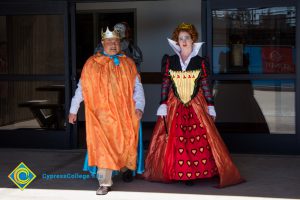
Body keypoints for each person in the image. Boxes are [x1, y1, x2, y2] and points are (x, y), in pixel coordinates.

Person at [143, 23, 243, 187]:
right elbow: (166, 83)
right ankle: (181, 173)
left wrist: (210, 104)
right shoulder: (170, 60)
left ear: (192, 39)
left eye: (186, 38)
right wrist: (162, 103)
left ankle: (197, 172)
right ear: (177, 41)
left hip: (196, 104)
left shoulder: (200, 61)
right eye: (180, 38)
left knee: (199, 139)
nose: (183, 41)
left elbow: (204, 84)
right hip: (175, 104)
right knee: (176, 139)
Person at [68, 27, 145, 195]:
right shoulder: (92, 63)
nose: (113, 44)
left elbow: (137, 88)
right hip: (100, 116)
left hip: (124, 114)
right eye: (109, 41)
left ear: (120, 44)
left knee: (123, 144)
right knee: (103, 146)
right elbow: (82, 88)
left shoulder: (128, 63)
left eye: (116, 42)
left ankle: (124, 168)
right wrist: (73, 110)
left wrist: (139, 106)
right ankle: (104, 182)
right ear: (102, 43)